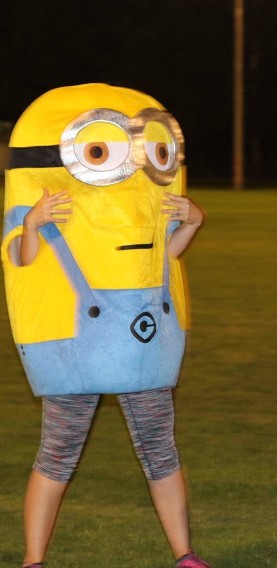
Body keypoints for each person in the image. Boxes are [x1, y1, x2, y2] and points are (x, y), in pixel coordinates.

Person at [16, 191, 209, 568]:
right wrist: (31, 224)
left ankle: (185, 555)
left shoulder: (138, 192)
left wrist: (193, 221)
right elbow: (28, 267)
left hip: (141, 343)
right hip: (76, 346)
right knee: (58, 453)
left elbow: (162, 257)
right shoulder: (60, 192)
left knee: (159, 449)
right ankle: (32, 560)